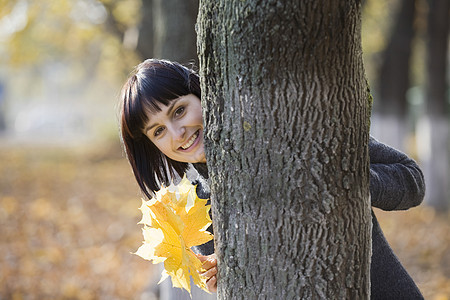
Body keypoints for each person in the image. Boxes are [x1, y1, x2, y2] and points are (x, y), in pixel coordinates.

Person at [119, 59, 426, 299]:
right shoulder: (197, 209)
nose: (177, 133)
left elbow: (411, 180)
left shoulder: (288, 128)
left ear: (202, 94)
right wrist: (226, 274)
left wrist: (337, 181)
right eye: (158, 131)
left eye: (179, 111)